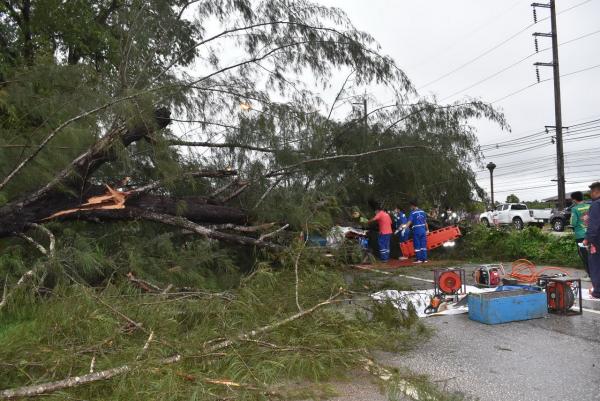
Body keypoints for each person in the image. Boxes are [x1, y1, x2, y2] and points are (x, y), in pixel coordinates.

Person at [584, 182, 600, 299]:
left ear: (596, 191)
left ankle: (597, 291)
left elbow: (593, 226)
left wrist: (588, 240)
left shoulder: (596, 205)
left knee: (595, 266)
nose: (590, 194)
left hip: (597, 241)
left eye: (591, 191)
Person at [570, 191, 591, 280]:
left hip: (581, 235)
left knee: (584, 255)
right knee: (593, 254)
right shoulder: (589, 206)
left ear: (574, 199)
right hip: (591, 233)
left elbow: (573, 222)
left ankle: (590, 275)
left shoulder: (574, 209)